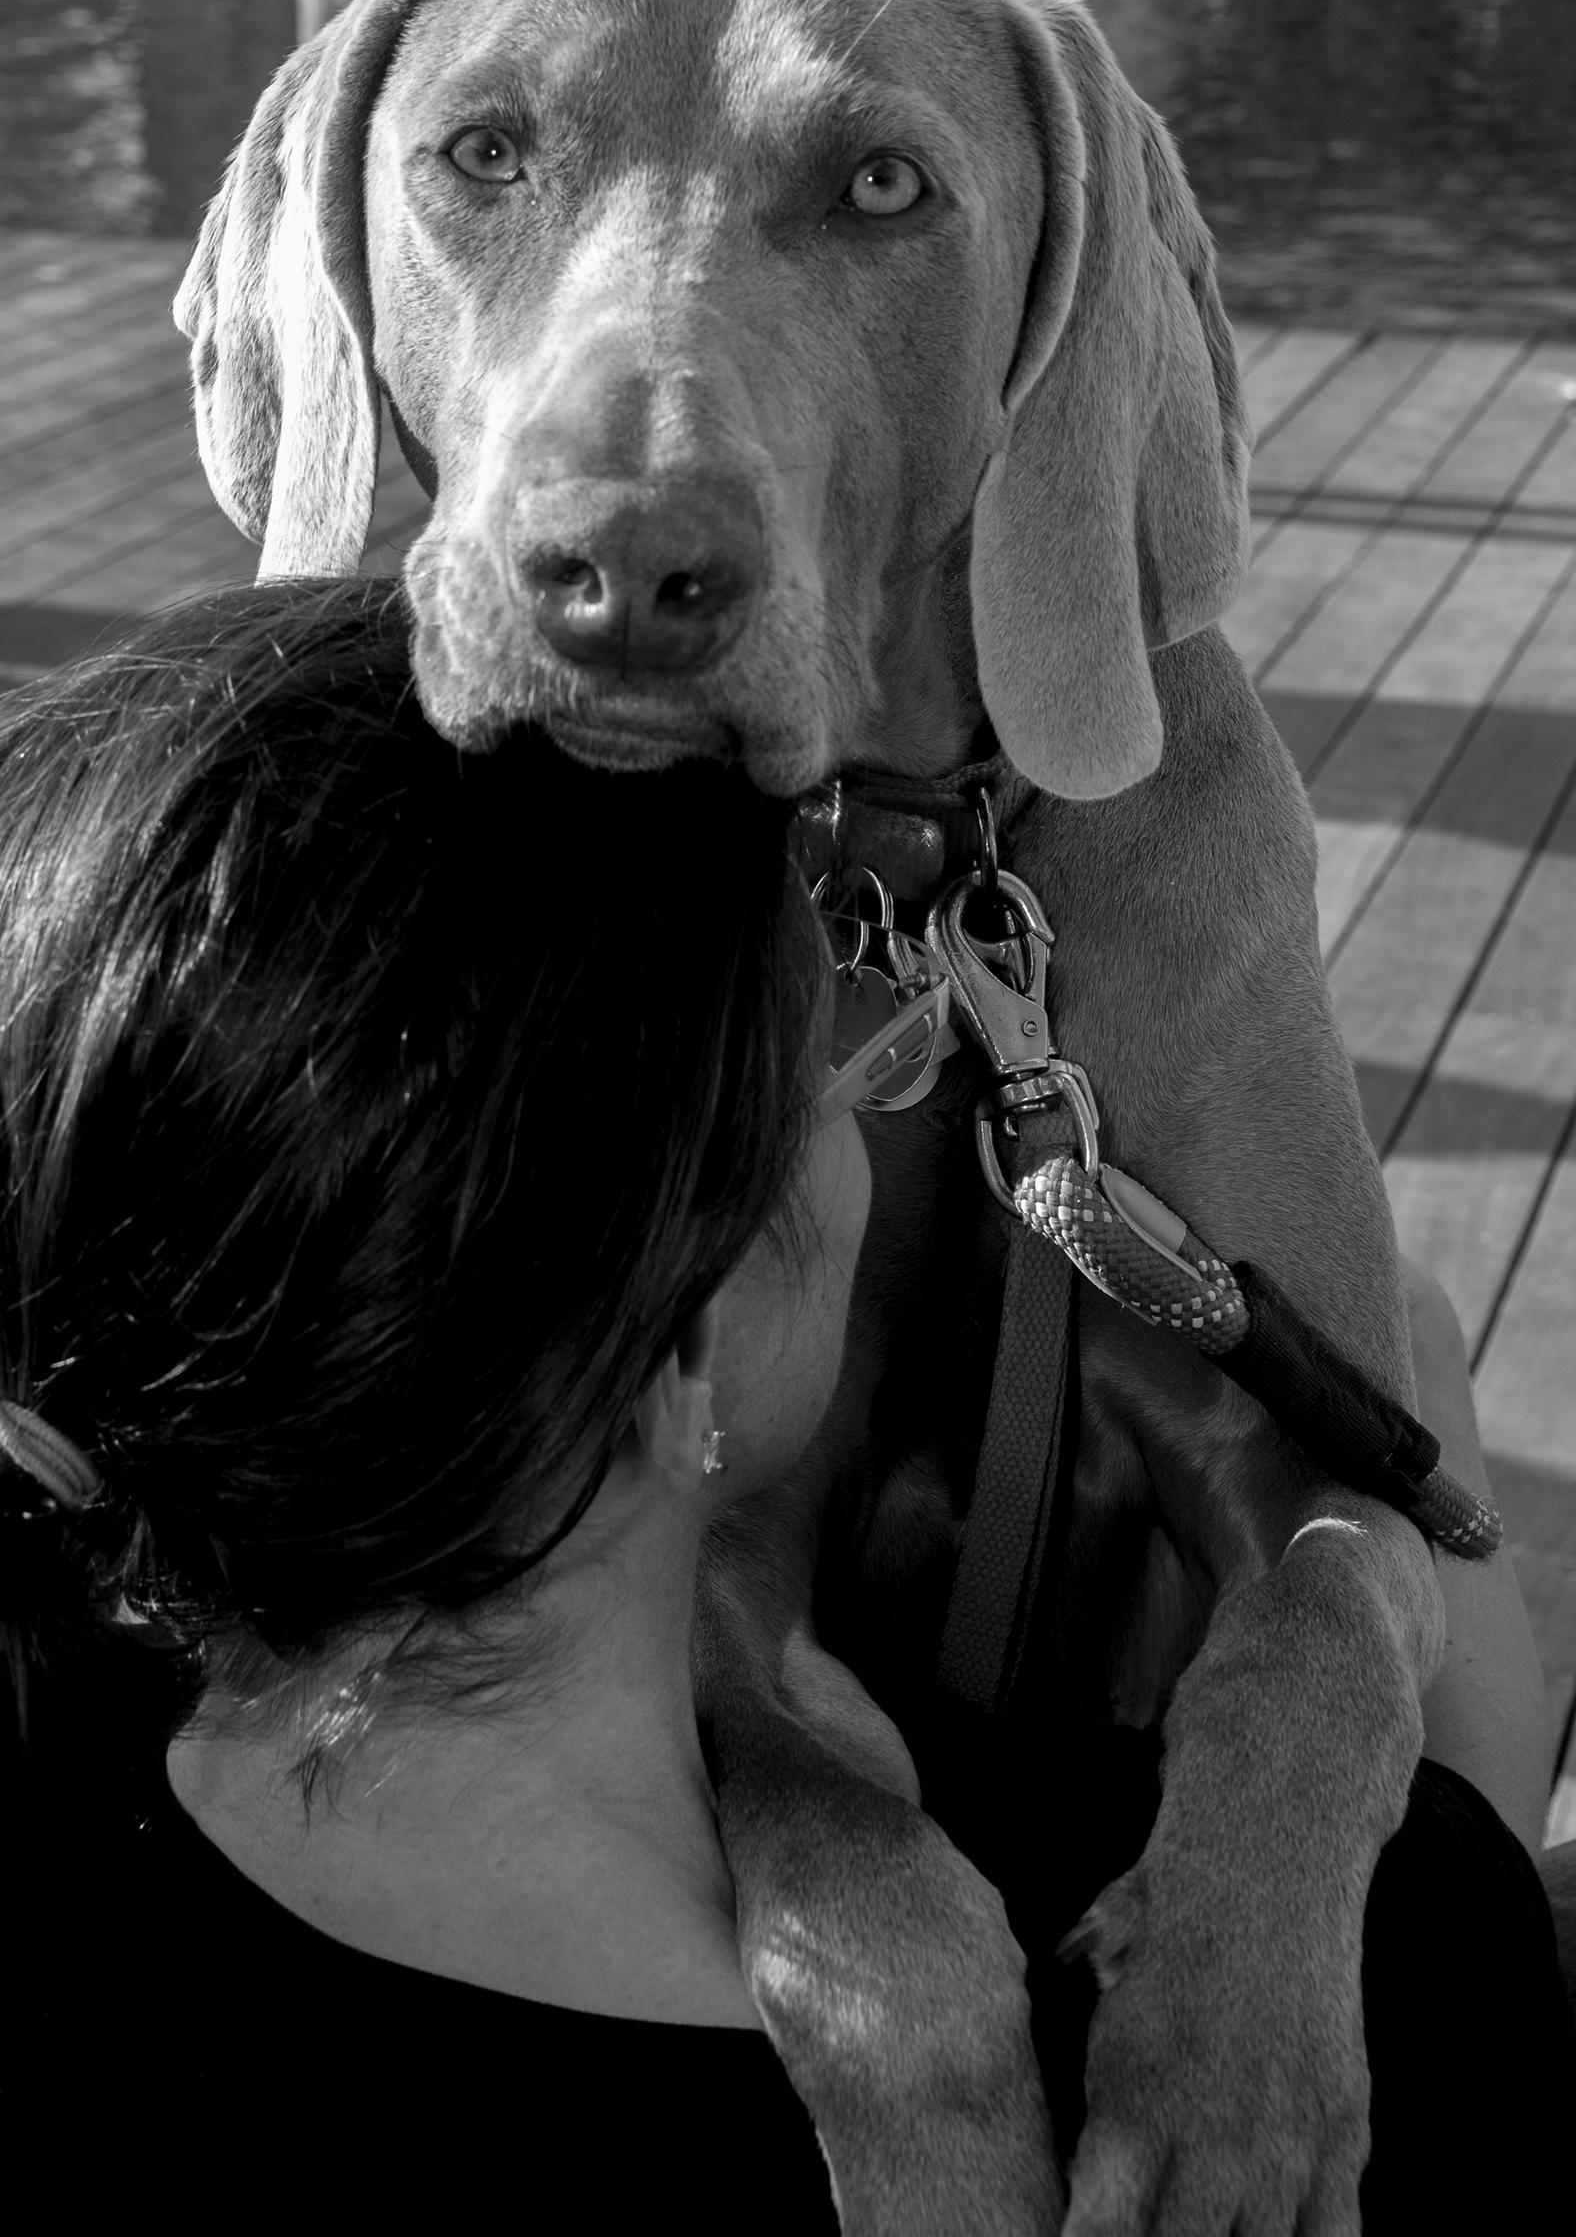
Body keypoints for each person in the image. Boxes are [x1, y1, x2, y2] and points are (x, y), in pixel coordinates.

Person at [0, 577, 1568, 2227]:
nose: (881, 1096)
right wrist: (1396, 1357)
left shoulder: (58, 1765)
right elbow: (1478, 1946)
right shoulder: (1219, 2011)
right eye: (850, 1070)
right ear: (690, 1352)